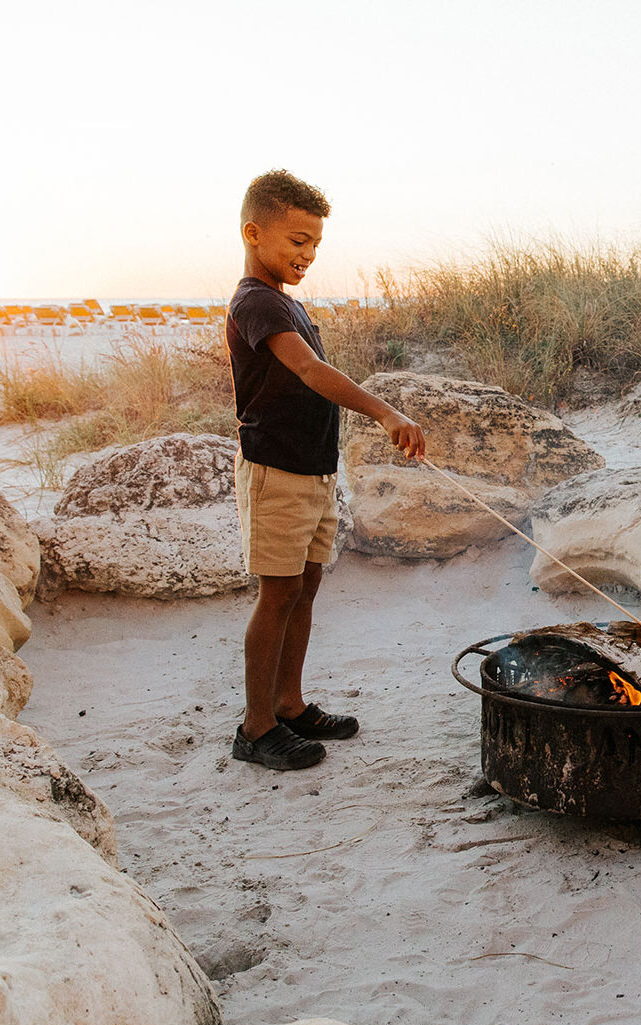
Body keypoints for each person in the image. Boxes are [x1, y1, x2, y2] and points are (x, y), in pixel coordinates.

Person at [227, 169, 427, 771]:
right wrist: (388, 412)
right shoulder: (255, 301)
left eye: (315, 244)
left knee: (307, 585)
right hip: (276, 473)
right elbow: (312, 372)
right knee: (278, 592)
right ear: (254, 233)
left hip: (315, 472)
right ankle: (256, 728)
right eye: (296, 241)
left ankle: (289, 704)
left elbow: (313, 376)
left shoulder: (285, 301)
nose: (308, 254)